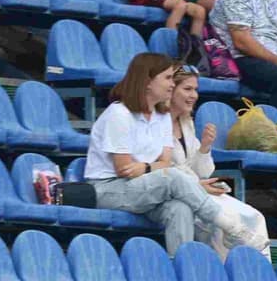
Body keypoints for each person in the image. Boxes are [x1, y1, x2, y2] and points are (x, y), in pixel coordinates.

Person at [84, 53, 255, 254]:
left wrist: (146, 167)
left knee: (179, 208)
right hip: (108, 189)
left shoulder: (162, 116)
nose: (171, 84)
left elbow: (165, 162)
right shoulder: (119, 114)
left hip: (145, 186)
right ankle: (229, 225)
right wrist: (151, 167)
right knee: (173, 178)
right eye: (167, 78)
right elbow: (124, 169)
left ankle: (182, 267)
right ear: (147, 81)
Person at [165, 68, 270, 254]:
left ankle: (259, 276)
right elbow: (165, 172)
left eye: (195, 90)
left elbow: (202, 172)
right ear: (171, 90)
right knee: (226, 223)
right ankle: (227, 276)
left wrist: (204, 148)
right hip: (177, 195)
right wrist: (196, 184)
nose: (193, 96)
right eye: (187, 89)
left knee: (255, 217)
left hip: (198, 190)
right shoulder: (155, 124)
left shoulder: (186, 123)